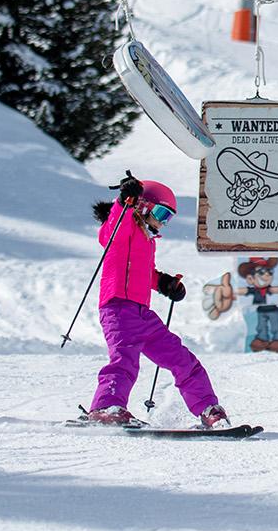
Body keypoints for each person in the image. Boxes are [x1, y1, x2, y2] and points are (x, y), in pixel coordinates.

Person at [80, 174, 232, 428]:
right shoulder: (121, 228)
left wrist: (164, 283)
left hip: (142, 314)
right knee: (124, 361)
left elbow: (144, 273)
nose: (163, 223)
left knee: (183, 360)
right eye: (161, 214)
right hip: (118, 308)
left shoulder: (147, 240)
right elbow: (111, 232)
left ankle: (208, 409)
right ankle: (105, 408)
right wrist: (124, 202)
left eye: (168, 218)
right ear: (143, 206)